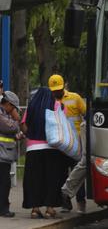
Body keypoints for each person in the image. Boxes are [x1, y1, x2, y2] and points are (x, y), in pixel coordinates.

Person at [21, 87, 70, 219]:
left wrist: (31, 134)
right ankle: (50, 209)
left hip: (33, 149)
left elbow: (24, 125)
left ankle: (35, 209)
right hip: (52, 148)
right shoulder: (58, 105)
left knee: (34, 180)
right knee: (52, 179)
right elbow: (63, 124)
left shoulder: (31, 106)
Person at [48, 74, 87, 213]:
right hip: (60, 144)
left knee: (78, 173)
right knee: (62, 173)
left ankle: (81, 202)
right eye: (54, 90)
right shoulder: (50, 101)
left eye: (58, 89)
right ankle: (65, 203)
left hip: (77, 143)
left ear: (63, 86)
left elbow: (87, 114)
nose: (56, 93)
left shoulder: (75, 98)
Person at [0, 91, 20, 217]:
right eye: (13, 107)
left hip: (4, 155)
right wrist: (17, 120)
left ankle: (3, 207)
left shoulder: (5, 113)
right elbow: (10, 127)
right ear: (7, 103)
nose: (14, 111)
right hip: (1, 155)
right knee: (4, 183)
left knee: (4, 182)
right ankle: (3, 209)